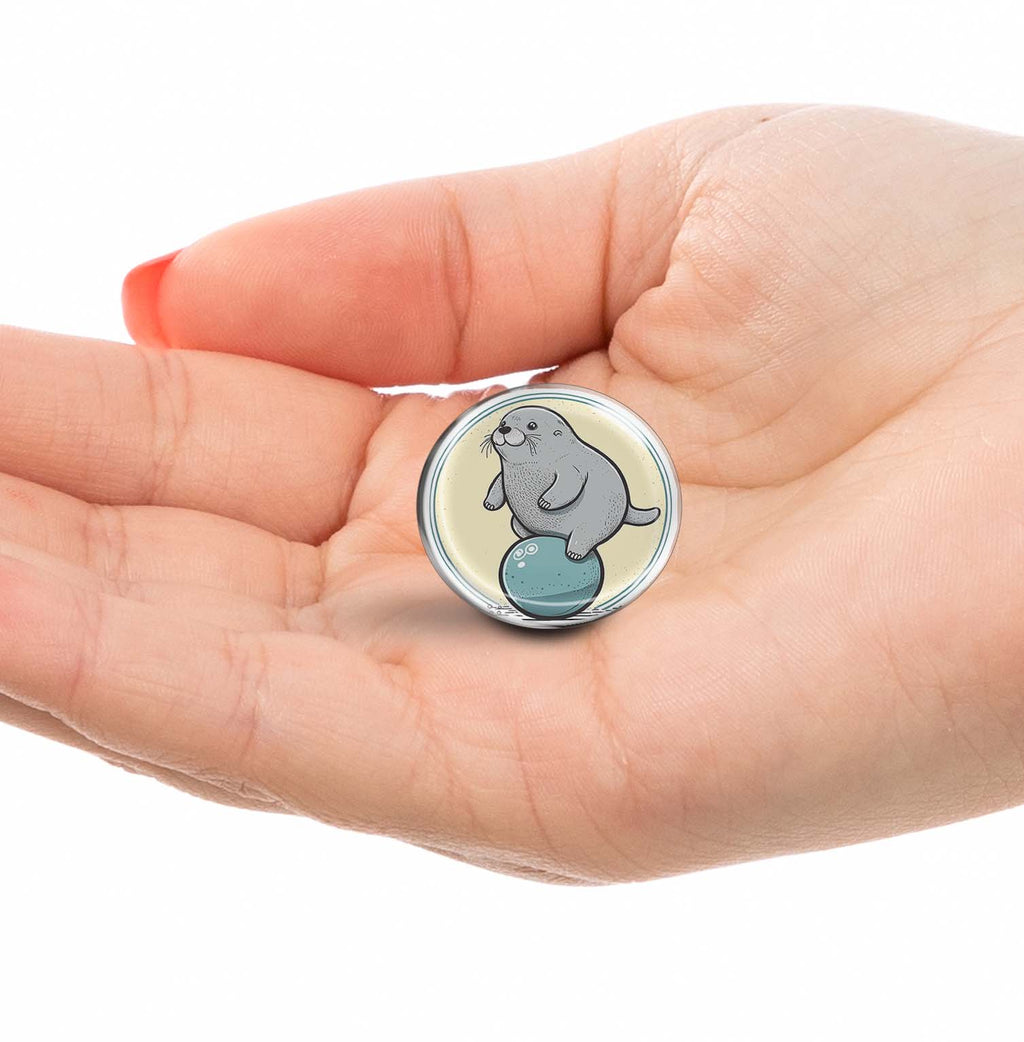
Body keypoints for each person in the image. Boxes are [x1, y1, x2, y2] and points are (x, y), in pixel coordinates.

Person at [1, 104, 1022, 884]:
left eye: (524, 433)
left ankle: (574, 560)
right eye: (516, 435)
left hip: (588, 525)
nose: (515, 439)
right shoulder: (512, 456)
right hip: (546, 538)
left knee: (583, 518)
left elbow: (579, 486)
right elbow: (504, 489)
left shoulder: (565, 455)